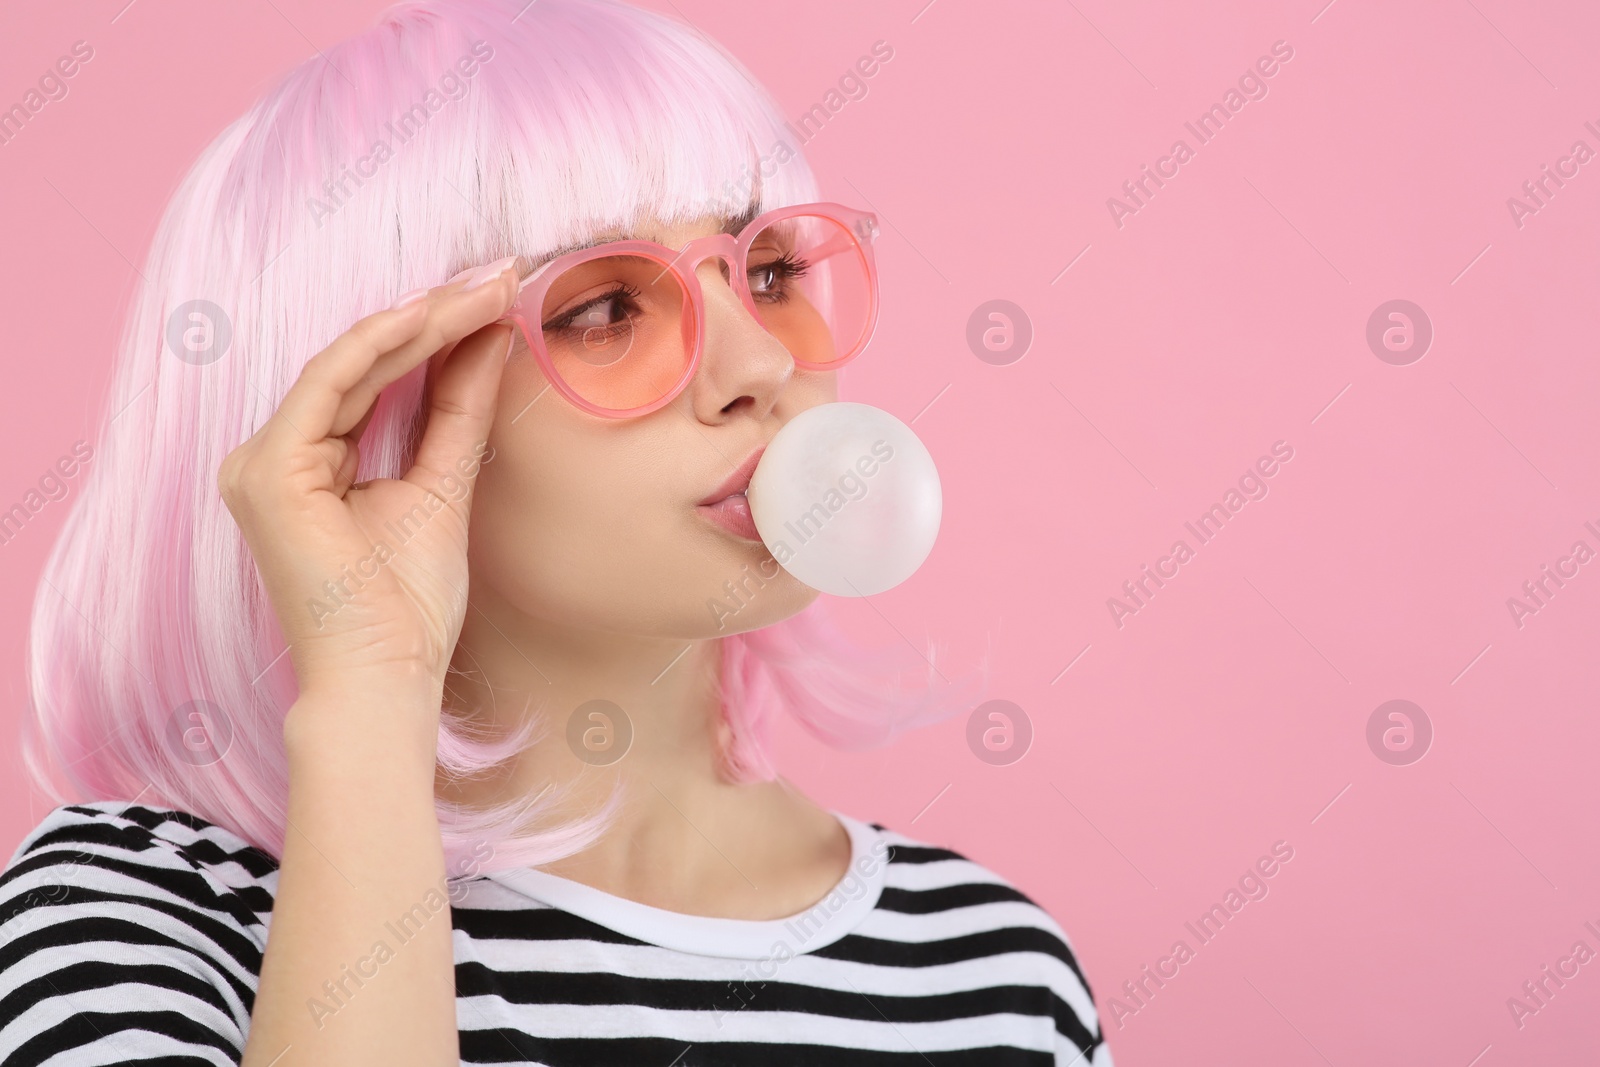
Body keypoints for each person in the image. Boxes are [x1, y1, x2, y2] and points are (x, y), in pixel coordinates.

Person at [0, 0, 1112, 1062]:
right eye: (606, 307)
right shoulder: (146, 916)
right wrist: (371, 692)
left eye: (767, 271)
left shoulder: (991, 973)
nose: (762, 364)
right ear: (380, 400)